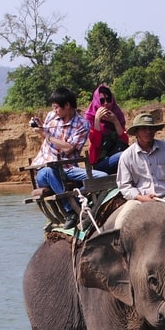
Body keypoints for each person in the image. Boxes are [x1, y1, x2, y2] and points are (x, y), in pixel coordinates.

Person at [29, 86, 105, 226]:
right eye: (53, 107)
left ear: (67, 105)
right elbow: (46, 138)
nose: (54, 111)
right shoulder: (52, 116)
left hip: (68, 168)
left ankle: (82, 198)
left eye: (57, 107)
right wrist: (41, 129)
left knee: (104, 177)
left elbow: (69, 148)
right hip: (46, 169)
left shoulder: (82, 124)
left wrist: (46, 134)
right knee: (49, 171)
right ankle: (71, 210)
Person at [116, 112, 165, 202]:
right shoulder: (127, 156)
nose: (148, 131)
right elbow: (124, 186)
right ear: (136, 132)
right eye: (143, 128)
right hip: (142, 199)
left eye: (151, 128)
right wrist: (140, 197)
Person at [84, 84, 128, 174]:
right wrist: (97, 120)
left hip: (117, 154)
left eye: (108, 100)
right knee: (124, 155)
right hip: (101, 163)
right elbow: (96, 143)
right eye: (102, 101)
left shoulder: (117, 114)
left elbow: (124, 141)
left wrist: (115, 121)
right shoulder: (90, 118)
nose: (106, 104)